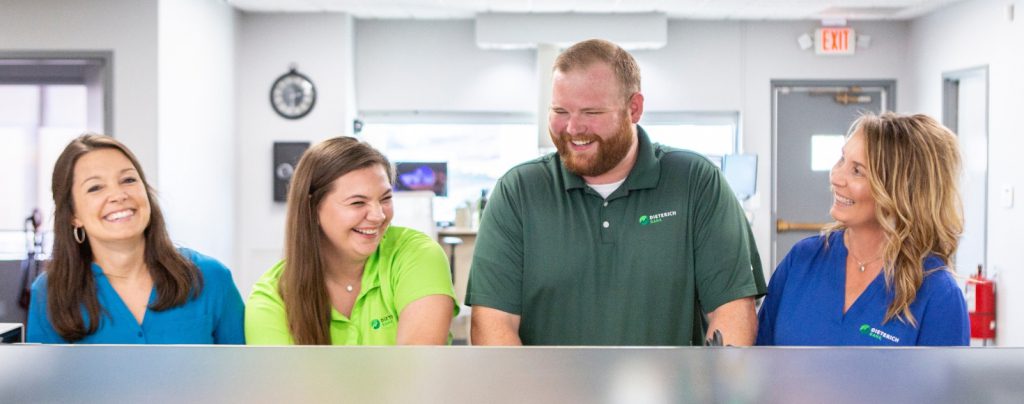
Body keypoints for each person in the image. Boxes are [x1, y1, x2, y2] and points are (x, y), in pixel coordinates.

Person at [466, 39, 766, 346]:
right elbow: (493, 324)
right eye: (560, 111)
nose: (572, 128)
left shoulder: (696, 183)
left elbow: (732, 312)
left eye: (591, 112)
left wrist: (718, 390)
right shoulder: (518, 192)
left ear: (634, 108)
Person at [756, 112, 969, 346]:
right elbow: (761, 363)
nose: (836, 177)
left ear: (899, 190)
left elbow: (946, 383)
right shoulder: (802, 261)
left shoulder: (938, 294)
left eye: (857, 170)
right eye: (841, 160)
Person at [27, 134, 244, 344]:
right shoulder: (48, 294)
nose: (119, 195)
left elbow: (245, 375)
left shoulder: (211, 278)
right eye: (95, 187)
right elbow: (44, 381)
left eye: (128, 180)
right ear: (73, 215)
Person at [245, 136, 458, 345]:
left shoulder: (416, 255)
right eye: (357, 202)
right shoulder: (273, 297)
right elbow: (283, 380)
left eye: (385, 199)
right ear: (312, 208)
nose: (378, 215)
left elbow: (417, 370)